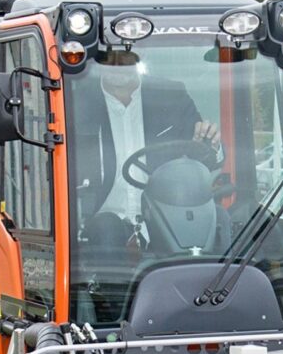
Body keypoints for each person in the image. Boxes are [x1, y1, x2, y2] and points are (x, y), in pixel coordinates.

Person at [72, 50, 221, 226]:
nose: (117, 63)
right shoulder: (76, 103)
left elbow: (204, 158)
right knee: (105, 230)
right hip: (100, 220)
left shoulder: (172, 97)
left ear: (140, 53)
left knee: (219, 221)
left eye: (125, 54)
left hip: (168, 215)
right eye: (108, 54)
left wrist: (210, 145)